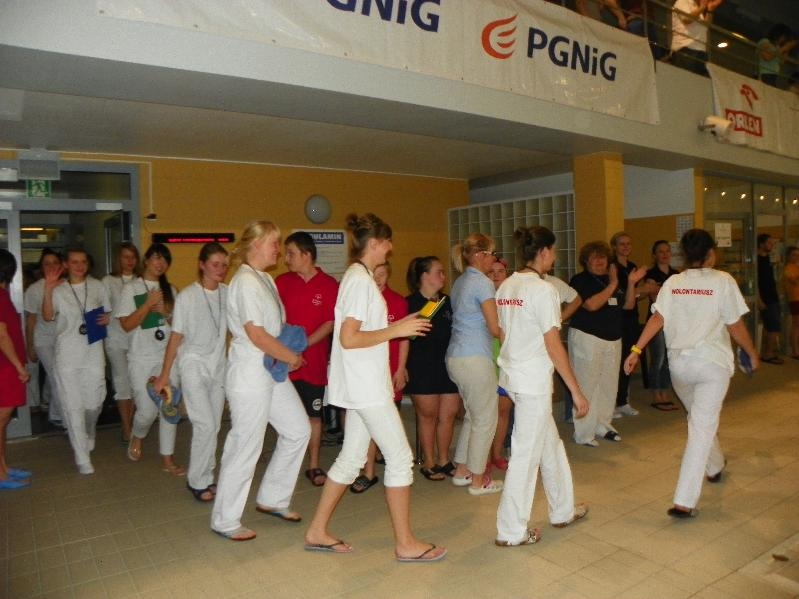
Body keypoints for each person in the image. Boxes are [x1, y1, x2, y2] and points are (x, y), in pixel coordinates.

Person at [305, 213, 446, 562]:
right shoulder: (358, 281)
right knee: (400, 458)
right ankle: (405, 544)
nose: (391, 247)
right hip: (366, 388)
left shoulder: (361, 278)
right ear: (374, 243)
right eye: (387, 241)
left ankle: (317, 530)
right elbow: (349, 338)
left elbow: (362, 331)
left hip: (362, 386)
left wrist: (400, 325)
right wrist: (397, 330)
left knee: (352, 457)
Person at [624, 228, 759, 518]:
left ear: (684, 255)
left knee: (699, 420)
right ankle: (684, 501)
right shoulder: (723, 281)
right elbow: (735, 325)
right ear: (711, 253)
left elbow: (658, 318)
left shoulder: (674, 282)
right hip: (712, 366)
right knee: (700, 426)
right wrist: (752, 352)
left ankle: (715, 465)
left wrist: (636, 350)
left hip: (680, 368)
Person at [210, 221, 310, 541]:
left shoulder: (264, 279)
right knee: (245, 444)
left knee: (298, 430)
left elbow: (273, 329)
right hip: (250, 374)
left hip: (271, 369)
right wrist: (291, 357)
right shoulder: (244, 282)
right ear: (255, 244)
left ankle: (273, 498)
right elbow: (256, 334)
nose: (278, 250)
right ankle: (225, 520)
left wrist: (290, 348)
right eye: (274, 243)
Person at [494, 226, 590, 547]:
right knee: (525, 455)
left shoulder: (506, 285)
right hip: (532, 383)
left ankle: (563, 510)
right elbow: (553, 344)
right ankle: (511, 531)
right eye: (554, 251)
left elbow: (504, 333)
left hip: (514, 377)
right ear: (544, 252)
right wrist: (575, 390)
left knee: (551, 446)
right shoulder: (543, 290)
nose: (555, 257)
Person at [153, 243, 229, 502]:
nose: (221, 269)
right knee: (204, 424)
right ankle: (197, 481)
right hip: (193, 365)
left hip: (218, 366)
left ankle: (207, 475)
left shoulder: (228, 293)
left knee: (214, 425)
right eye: (215, 264)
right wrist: (164, 375)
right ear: (202, 265)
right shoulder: (187, 296)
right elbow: (175, 337)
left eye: (224, 265)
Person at [275, 231, 338, 488]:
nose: (286, 259)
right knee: (284, 416)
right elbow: (274, 319)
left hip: (314, 363)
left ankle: (313, 465)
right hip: (284, 363)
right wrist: (289, 351)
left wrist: (302, 346)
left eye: (291, 254)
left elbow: (329, 323)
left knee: (313, 415)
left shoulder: (329, 285)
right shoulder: (281, 282)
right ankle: (285, 465)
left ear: (306, 254)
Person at [569, 241, 646, 446]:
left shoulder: (612, 280)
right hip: (588, 338)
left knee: (608, 386)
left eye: (602, 257)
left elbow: (628, 305)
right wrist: (613, 284)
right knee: (586, 385)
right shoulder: (580, 280)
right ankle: (583, 433)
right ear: (586, 261)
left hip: (613, 339)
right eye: (594, 258)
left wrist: (631, 283)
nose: (599, 261)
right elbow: (592, 305)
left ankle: (603, 425)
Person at [118, 243, 185, 475]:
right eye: (156, 258)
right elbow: (126, 325)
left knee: (168, 405)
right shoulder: (131, 289)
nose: (160, 263)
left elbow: (179, 327)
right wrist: (147, 305)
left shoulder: (171, 290)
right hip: (141, 358)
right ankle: (138, 435)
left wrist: (165, 313)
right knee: (146, 411)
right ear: (146, 260)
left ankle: (167, 458)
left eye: (165, 260)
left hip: (167, 356)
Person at [42, 248, 111, 475]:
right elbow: (47, 316)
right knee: (73, 407)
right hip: (67, 356)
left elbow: (108, 313)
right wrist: (48, 289)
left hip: (93, 353)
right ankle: (82, 458)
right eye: (74, 262)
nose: (79, 266)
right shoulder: (58, 289)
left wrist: (108, 318)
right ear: (66, 265)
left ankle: (90, 430)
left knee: (94, 403)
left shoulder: (98, 286)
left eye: (83, 262)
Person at [446, 233, 504, 495]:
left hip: (456, 357)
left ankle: (462, 471)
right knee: (486, 420)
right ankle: (479, 482)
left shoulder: (460, 281)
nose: (494, 259)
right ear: (480, 255)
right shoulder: (482, 282)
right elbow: (494, 328)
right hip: (474, 358)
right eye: (492, 254)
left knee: (473, 416)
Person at [349, 261, 409, 493]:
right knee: (368, 423)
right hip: (368, 372)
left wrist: (401, 368)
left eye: (382, 274)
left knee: (386, 422)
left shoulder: (398, 301)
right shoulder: (361, 300)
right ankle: (369, 471)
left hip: (390, 368)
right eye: (375, 274)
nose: (378, 279)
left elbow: (404, 339)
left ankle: (389, 466)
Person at [405, 256, 461, 481]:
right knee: (427, 415)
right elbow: (407, 337)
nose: (443, 276)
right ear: (424, 276)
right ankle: (429, 461)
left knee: (448, 414)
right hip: (421, 366)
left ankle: (444, 459)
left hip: (447, 365)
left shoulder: (448, 302)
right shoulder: (409, 303)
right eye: (439, 272)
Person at [0, 249, 32, 489]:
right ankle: (0, 475)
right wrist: (20, 367)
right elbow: (1, 335)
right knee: (0, 420)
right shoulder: (0, 297)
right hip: (5, 368)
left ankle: (3, 467)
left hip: (7, 367)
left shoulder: (3, 294)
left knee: (2, 422)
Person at [102, 242, 140, 442]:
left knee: (135, 382)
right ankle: (126, 428)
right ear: (119, 259)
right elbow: (103, 308)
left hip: (136, 339)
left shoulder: (140, 281)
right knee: (122, 382)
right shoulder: (108, 281)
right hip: (115, 338)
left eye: (133, 257)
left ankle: (132, 423)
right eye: (126, 257)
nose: (129, 261)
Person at [23, 249, 64, 428]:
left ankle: (52, 407)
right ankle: (59, 416)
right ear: (41, 267)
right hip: (43, 339)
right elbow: (31, 320)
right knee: (57, 376)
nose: (51, 266)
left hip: (63, 339)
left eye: (55, 262)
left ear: (61, 265)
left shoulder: (67, 285)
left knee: (58, 376)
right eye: (47, 263)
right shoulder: (34, 289)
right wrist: (30, 347)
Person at [611, 232, 643, 419]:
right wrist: (640, 289)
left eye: (628, 243)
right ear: (614, 247)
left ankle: (623, 401)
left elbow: (636, 294)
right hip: (617, 317)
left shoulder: (632, 266)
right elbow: (619, 293)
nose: (625, 247)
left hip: (632, 317)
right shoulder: (611, 267)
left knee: (629, 358)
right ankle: (612, 402)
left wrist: (642, 290)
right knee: (615, 361)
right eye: (621, 244)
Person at [645, 240, 680, 411]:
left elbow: (679, 298)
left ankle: (665, 392)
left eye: (667, 251)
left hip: (673, 321)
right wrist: (665, 292)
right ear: (654, 255)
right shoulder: (651, 273)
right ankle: (656, 393)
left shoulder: (676, 274)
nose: (665, 254)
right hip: (656, 321)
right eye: (661, 251)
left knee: (668, 359)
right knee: (658, 358)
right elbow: (655, 297)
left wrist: (661, 289)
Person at [488, 259, 512, 472]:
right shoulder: (481, 298)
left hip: (507, 361)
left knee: (503, 411)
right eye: (491, 272)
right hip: (486, 360)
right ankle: (482, 456)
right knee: (486, 413)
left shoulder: (513, 300)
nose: (496, 275)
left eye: (500, 271)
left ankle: (497, 453)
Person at [670, 0, 723, 76]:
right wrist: (702, 7)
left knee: (698, 81)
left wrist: (710, 10)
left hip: (700, 51)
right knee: (685, 79)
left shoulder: (697, 8)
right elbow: (686, 19)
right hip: (685, 49)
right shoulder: (682, 1)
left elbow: (706, 26)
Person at [757, 233, 783, 364]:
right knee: (773, 327)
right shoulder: (757, 260)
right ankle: (768, 354)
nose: (772, 245)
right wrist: (759, 299)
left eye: (773, 243)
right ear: (761, 244)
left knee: (769, 327)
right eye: (769, 243)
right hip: (765, 299)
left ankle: (767, 353)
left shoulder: (769, 259)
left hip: (773, 297)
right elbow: (755, 281)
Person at [783, 246, 799, 359]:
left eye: (798, 255)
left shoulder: (796, 267)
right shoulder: (788, 268)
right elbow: (794, 281)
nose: (796, 257)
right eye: (794, 255)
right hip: (795, 299)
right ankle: (795, 351)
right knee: (796, 325)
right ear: (788, 256)